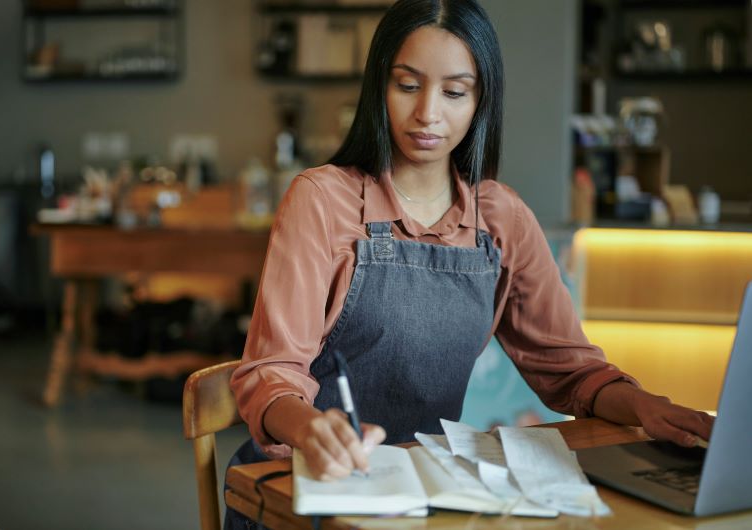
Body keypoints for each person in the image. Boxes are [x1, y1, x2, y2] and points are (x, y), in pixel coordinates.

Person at [225, 0, 714, 524]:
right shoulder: (321, 199)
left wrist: (645, 407)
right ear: (378, 88)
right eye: (408, 86)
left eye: (455, 92)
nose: (428, 113)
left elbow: (573, 372)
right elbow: (271, 371)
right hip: (307, 487)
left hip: (424, 492)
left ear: (480, 100)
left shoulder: (502, 218)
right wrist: (307, 428)